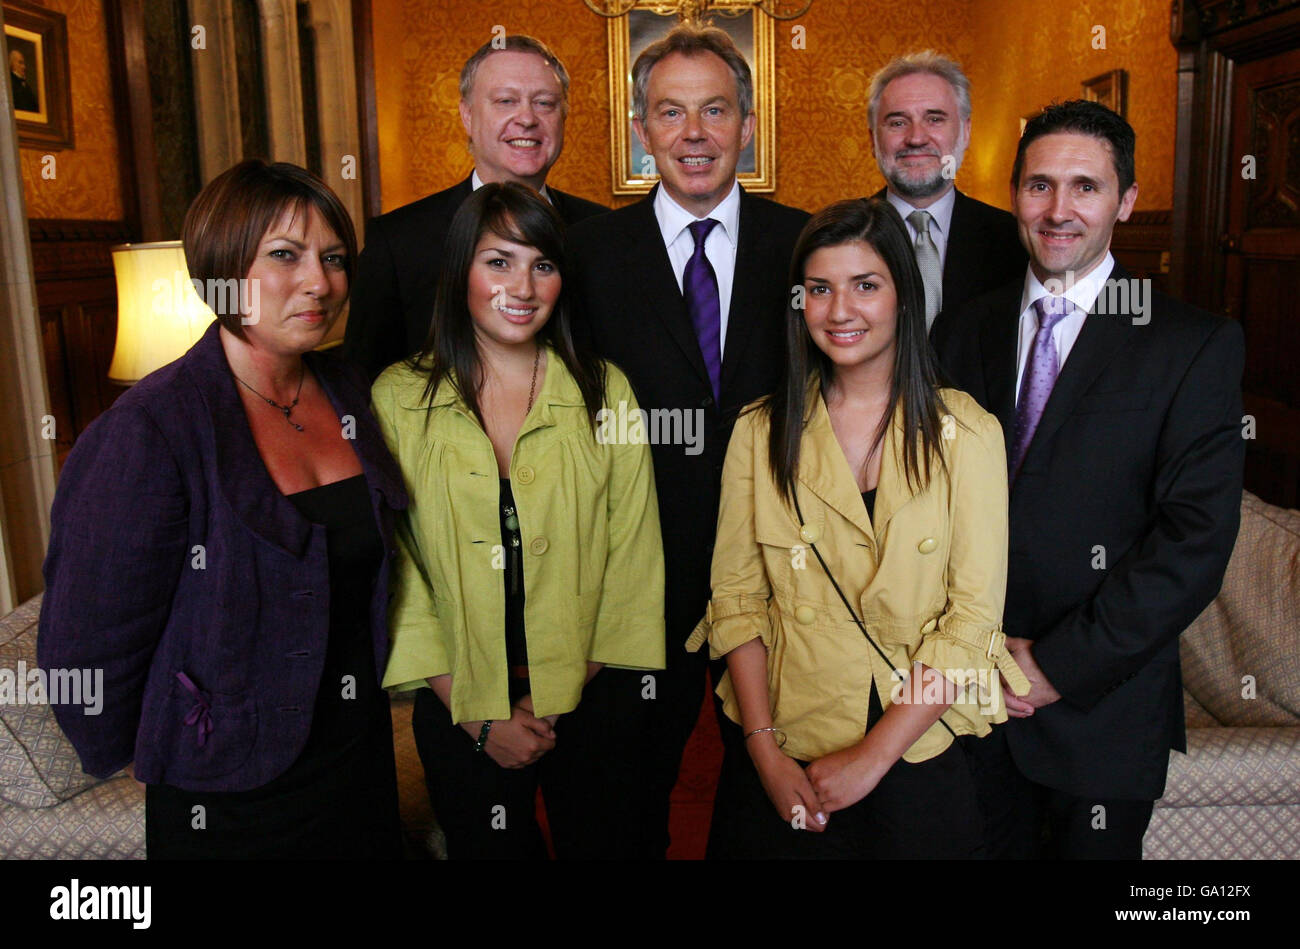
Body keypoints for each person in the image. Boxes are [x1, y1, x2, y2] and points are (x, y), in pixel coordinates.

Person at [38, 160, 407, 859]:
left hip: (356, 758)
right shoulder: (151, 427)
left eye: (333, 258)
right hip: (227, 791)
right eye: (284, 255)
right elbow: (85, 643)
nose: (320, 282)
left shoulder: (349, 388)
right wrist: (165, 757)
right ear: (220, 266)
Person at [933, 100, 1245, 859]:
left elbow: (1193, 541)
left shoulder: (1191, 344)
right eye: (1039, 185)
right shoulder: (960, 328)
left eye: (1086, 187)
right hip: (963, 698)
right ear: (1014, 195)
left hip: (1102, 708)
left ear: (1126, 201)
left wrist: (1058, 665)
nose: (1059, 210)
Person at [689, 197, 1027, 858]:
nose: (840, 310)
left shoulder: (968, 434)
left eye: (865, 285)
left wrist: (873, 756)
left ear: (904, 296)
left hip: (916, 742)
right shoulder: (760, 430)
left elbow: (969, 622)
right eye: (820, 289)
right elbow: (736, 603)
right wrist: (763, 753)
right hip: (784, 737)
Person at [565, 22, 809, 858]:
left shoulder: (809, 245)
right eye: (671, 113)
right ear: (642, 131)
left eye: (715, 110)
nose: (694, 134)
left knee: (774, 787)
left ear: (746, 124)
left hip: (780, 573)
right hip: (639, 577)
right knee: (622, 796)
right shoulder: (587, 255)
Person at [373, 182, 665, 859]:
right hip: (457, 699)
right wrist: (475, 712)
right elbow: (398, 567)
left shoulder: (604, 389)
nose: (522, 285)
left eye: (543, 263)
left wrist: (564, 689)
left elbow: (634, 553)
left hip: (592, 695)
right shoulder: (398, 397)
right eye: (498, 262)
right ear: (460, 274)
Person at [344, 35, 607, 379]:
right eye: (505, 101)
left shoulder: (604, 233)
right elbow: (361, 381)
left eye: (545, 103)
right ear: (467, 115)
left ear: (564, 118)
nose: (526, 118)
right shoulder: (397, 241)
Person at [866, 50, 1026, 332]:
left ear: (965, 133)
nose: (916, 138)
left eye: (935, 119)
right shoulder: (840, 237)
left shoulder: (1016, 242)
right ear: (873, 139)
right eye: (897, 122)